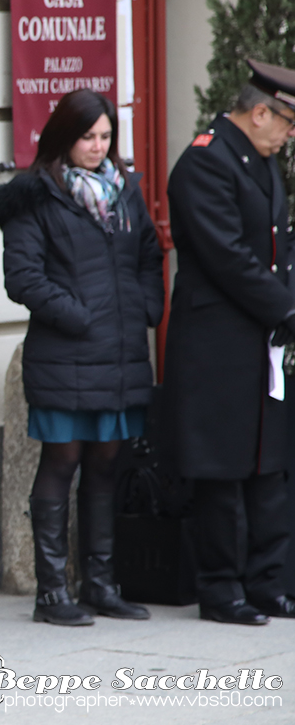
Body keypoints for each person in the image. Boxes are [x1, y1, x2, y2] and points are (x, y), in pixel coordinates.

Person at [0, 89, 164, 626]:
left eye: (106, 137)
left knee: (107, 464)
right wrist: (80, 316)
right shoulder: (33, 195)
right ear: (64, 136)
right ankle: (52, 593)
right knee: (62, 463)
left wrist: (146, 306)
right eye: (88, 137)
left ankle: (101, 585)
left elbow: (150, 253)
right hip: (65, 354)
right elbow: (24, 278)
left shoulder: (125, 189)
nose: (98, 146)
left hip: (122, 353)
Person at [164, 59, 295, 625]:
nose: (289, 136)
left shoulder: (260, 159)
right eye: (287, 123)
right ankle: (221, 590)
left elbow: (277, 247)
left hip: (260, 337)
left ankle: (268, 584)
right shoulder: (204, 162)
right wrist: (285, 307)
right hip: (218, 341)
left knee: (268, 464)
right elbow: (228, 258)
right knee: (221, 468)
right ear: (259, 112)